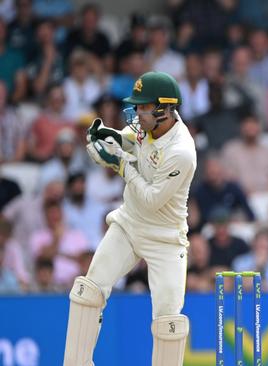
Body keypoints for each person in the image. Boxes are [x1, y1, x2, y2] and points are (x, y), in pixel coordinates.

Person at [62, 71, 197, 366]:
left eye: (142, 106)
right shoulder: (147, 125)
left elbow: (151, 200)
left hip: (165, 237)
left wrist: (120, 165)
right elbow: (131, 139)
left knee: (168, 319)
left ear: (163, 109)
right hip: (129, 223)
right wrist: (111, 137)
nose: (136, 111)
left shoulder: (181, 153)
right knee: (88, 289)